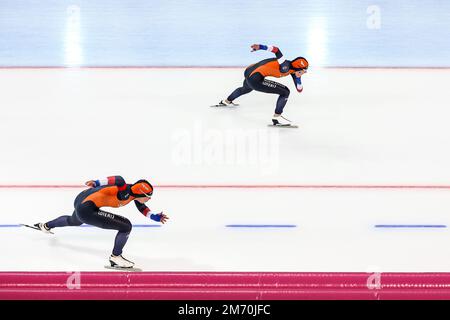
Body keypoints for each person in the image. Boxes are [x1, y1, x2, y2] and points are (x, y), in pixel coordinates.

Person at [33, 176, 168, 268]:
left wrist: (155, 217)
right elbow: (119, 179)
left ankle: (45, 226)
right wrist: (97, 182)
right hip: (87, 208)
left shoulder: (133, 193)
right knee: (126, 226)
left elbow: (142, 208)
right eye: (148, 197)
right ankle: (116, 257)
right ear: (140, 194)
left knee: (72, 220)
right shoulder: (124, 192)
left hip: (82, 200)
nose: (149, 199)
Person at [216, 44, 308, 127]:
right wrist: (260, 47)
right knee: (285, 92)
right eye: (303, 71)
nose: (304, 73)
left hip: (249, 71)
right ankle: (277, 117)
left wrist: (298, 77)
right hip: (255, 77)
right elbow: (276, 50)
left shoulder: (293, 71)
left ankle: (226, 101)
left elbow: (299, 89)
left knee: (245, 89)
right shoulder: (285, 65)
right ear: (297, 68)